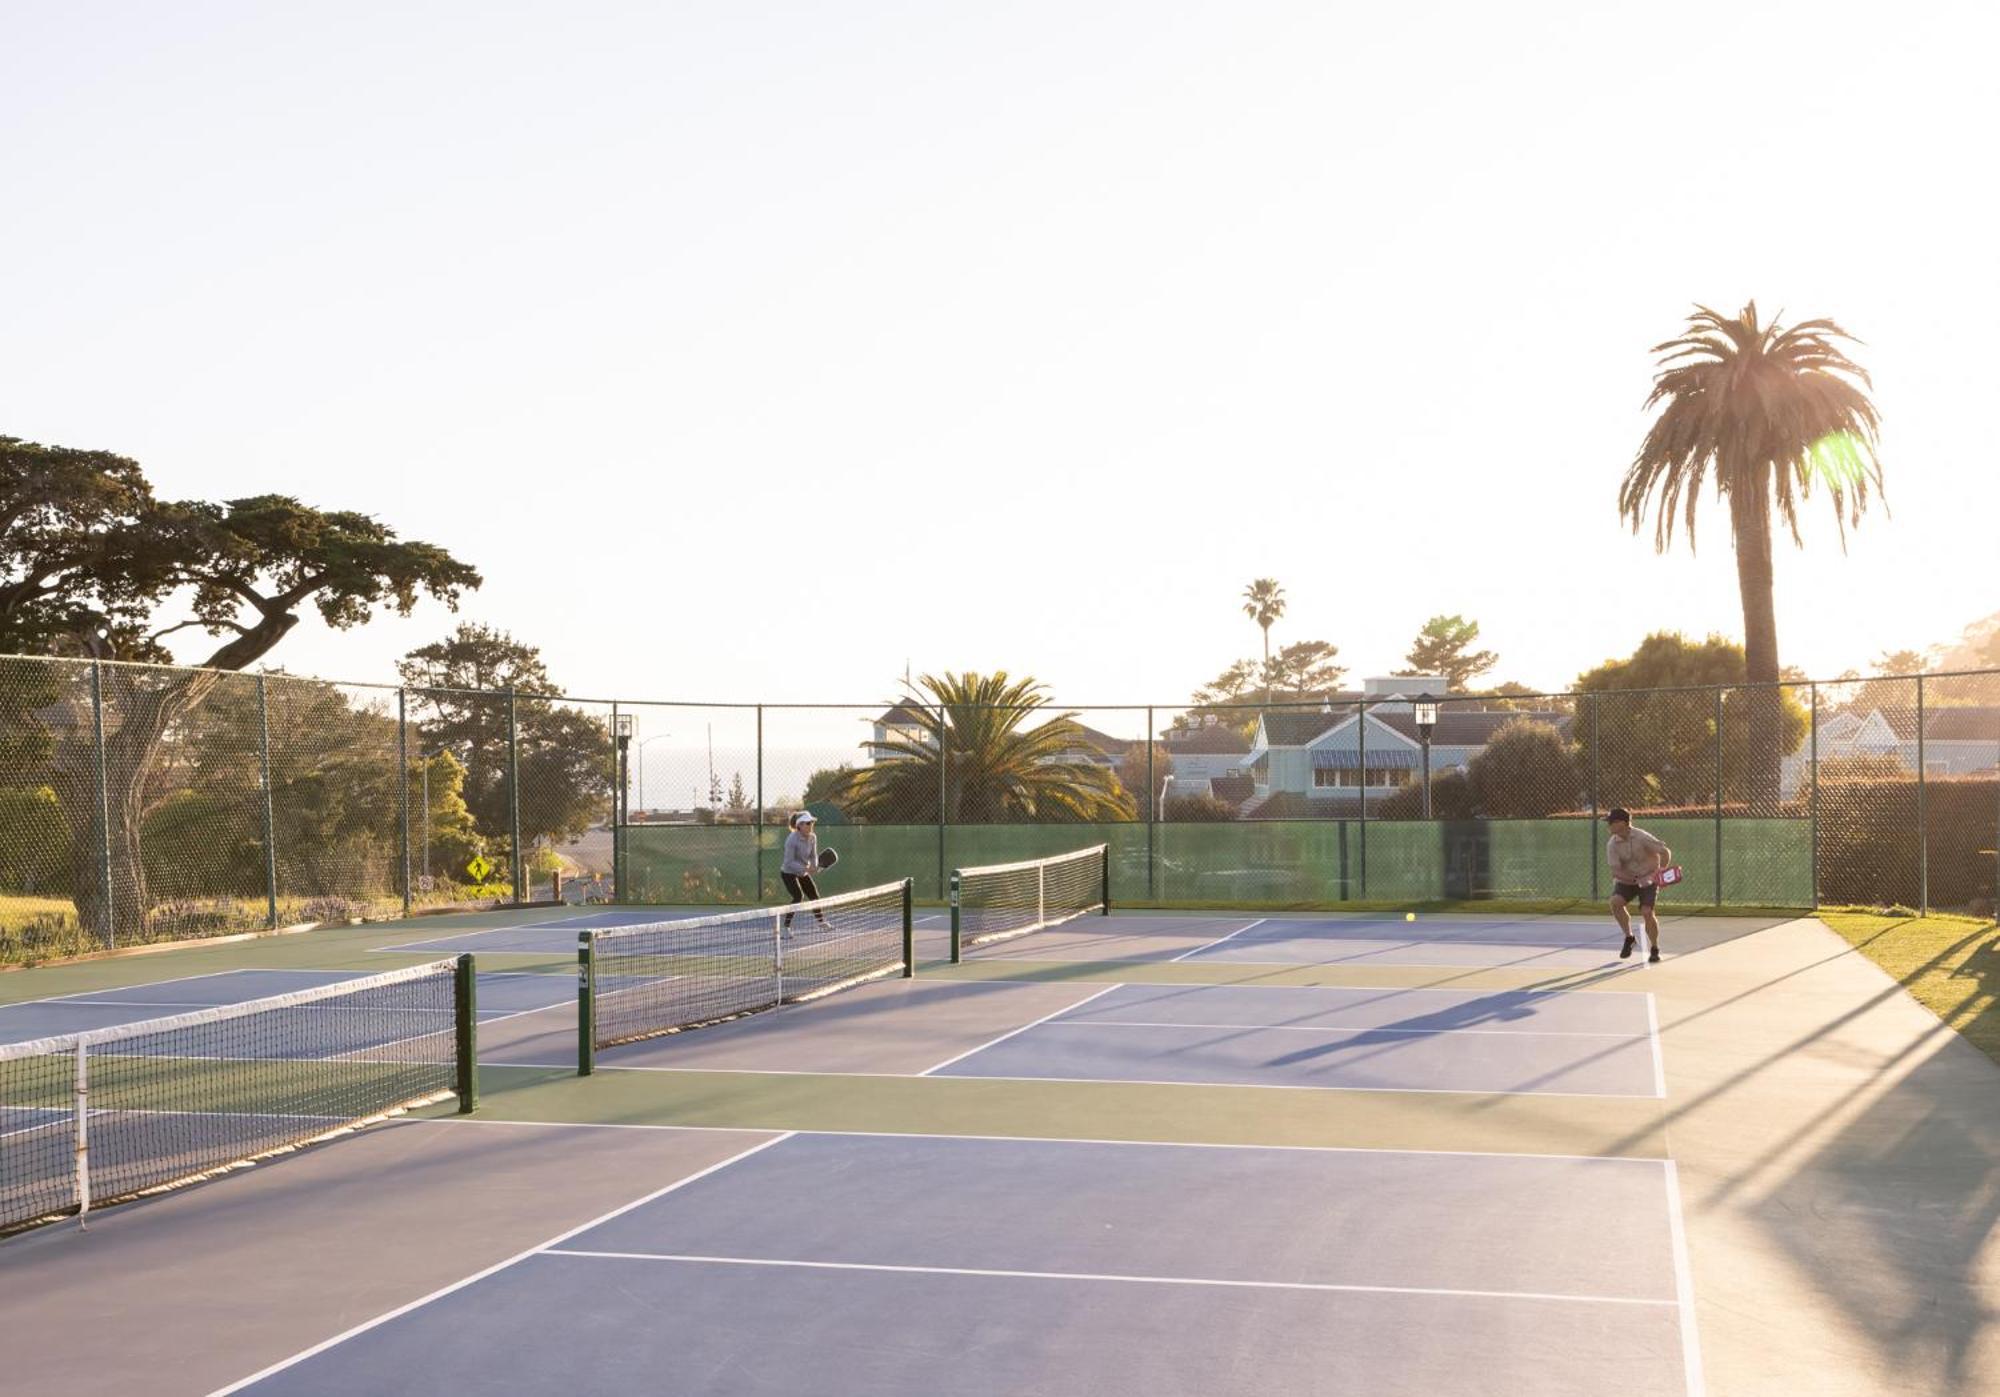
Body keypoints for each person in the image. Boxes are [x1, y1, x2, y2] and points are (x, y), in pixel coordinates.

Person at [1605, 807, 1672, 963]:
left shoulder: (1642, 837)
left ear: (1622, 823)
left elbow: (1665, 852)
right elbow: (1615, 870)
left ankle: (1654, 948)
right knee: (1615, 903)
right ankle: (1629, 938)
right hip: (1627, 880)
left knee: (1647, 912)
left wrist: (1660, 873)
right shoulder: (1612, 845)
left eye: (1611, 822)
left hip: (1650, 878)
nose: (1608, 826)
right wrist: (1635, 880)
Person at [779, 811, 831, 933]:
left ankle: (821, 922)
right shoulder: (791, 840)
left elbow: (813, 856)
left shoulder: (813, 837)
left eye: (811, 822)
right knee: (798, 896)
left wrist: (814, 865)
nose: (810, 825)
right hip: (788, 873)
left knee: (814, 896)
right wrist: (805, 869)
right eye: (807, 823)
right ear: (799, 825)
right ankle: (785, 927)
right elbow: (789, 862)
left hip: (803, 872)